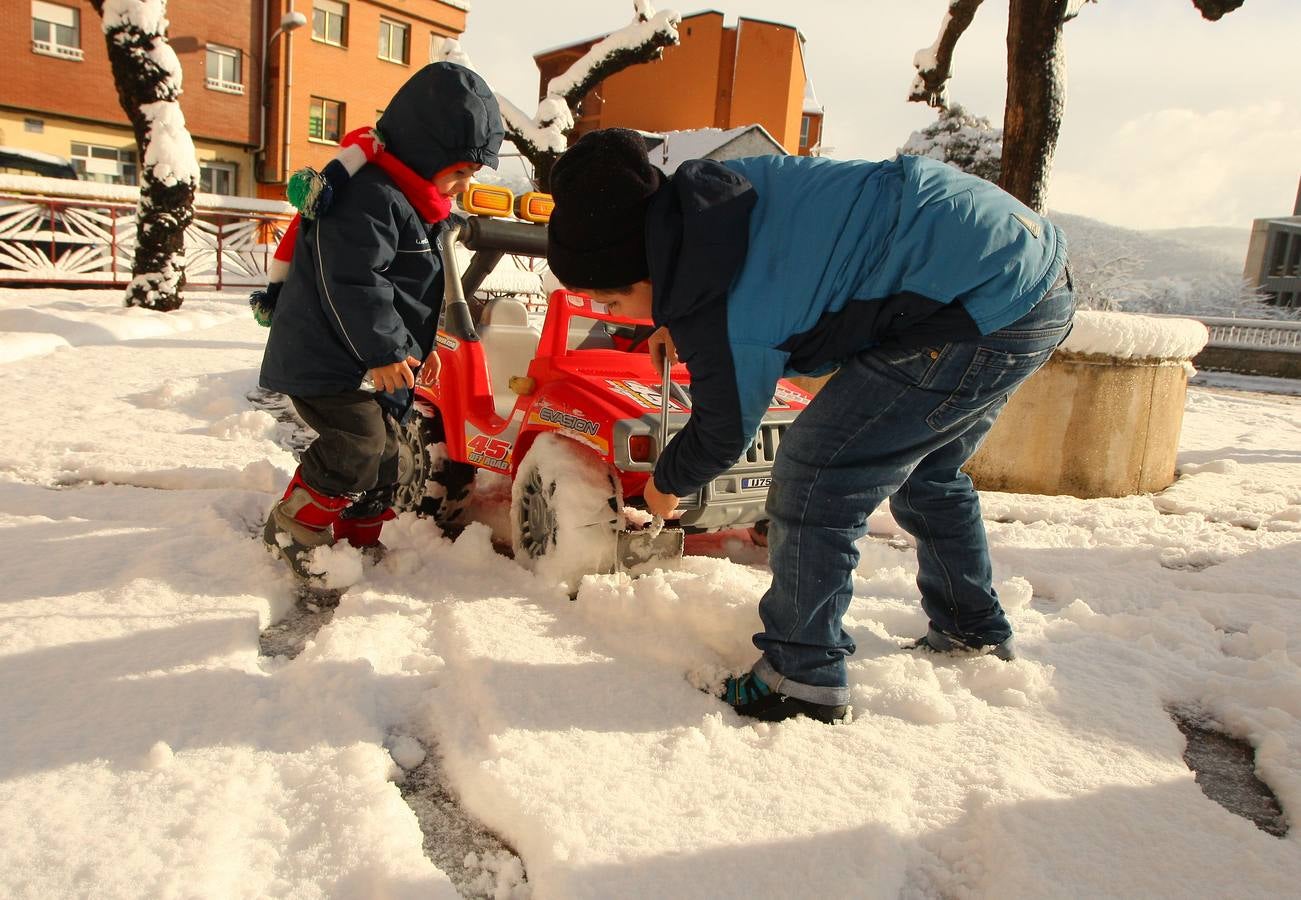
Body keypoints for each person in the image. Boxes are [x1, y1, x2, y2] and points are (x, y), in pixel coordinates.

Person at [545, 129, 1074, 724]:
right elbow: (758, 271)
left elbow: (723, 432)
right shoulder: (710, 205)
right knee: (928, 473)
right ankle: (972, 630)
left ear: (639, 273)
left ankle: (800, 677)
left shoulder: (727, 308)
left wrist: (666, 482)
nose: (615, 318)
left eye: (611, 304)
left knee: (817, 475)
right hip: (1024, 269)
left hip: (974, 303)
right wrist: (678, 319)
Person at [257, 62, 503, 589]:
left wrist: (414, 346)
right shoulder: (367, 197)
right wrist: (386, 350)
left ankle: (356, 533)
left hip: (373, 360)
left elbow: (405, 290)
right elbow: (354, 282)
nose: (462, 187)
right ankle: (295, 525)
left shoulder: (414, 204)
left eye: (469, 177)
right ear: (424, 153)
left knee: (389, 454)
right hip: (327, 357)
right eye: (458, 172)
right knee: (357, 444)